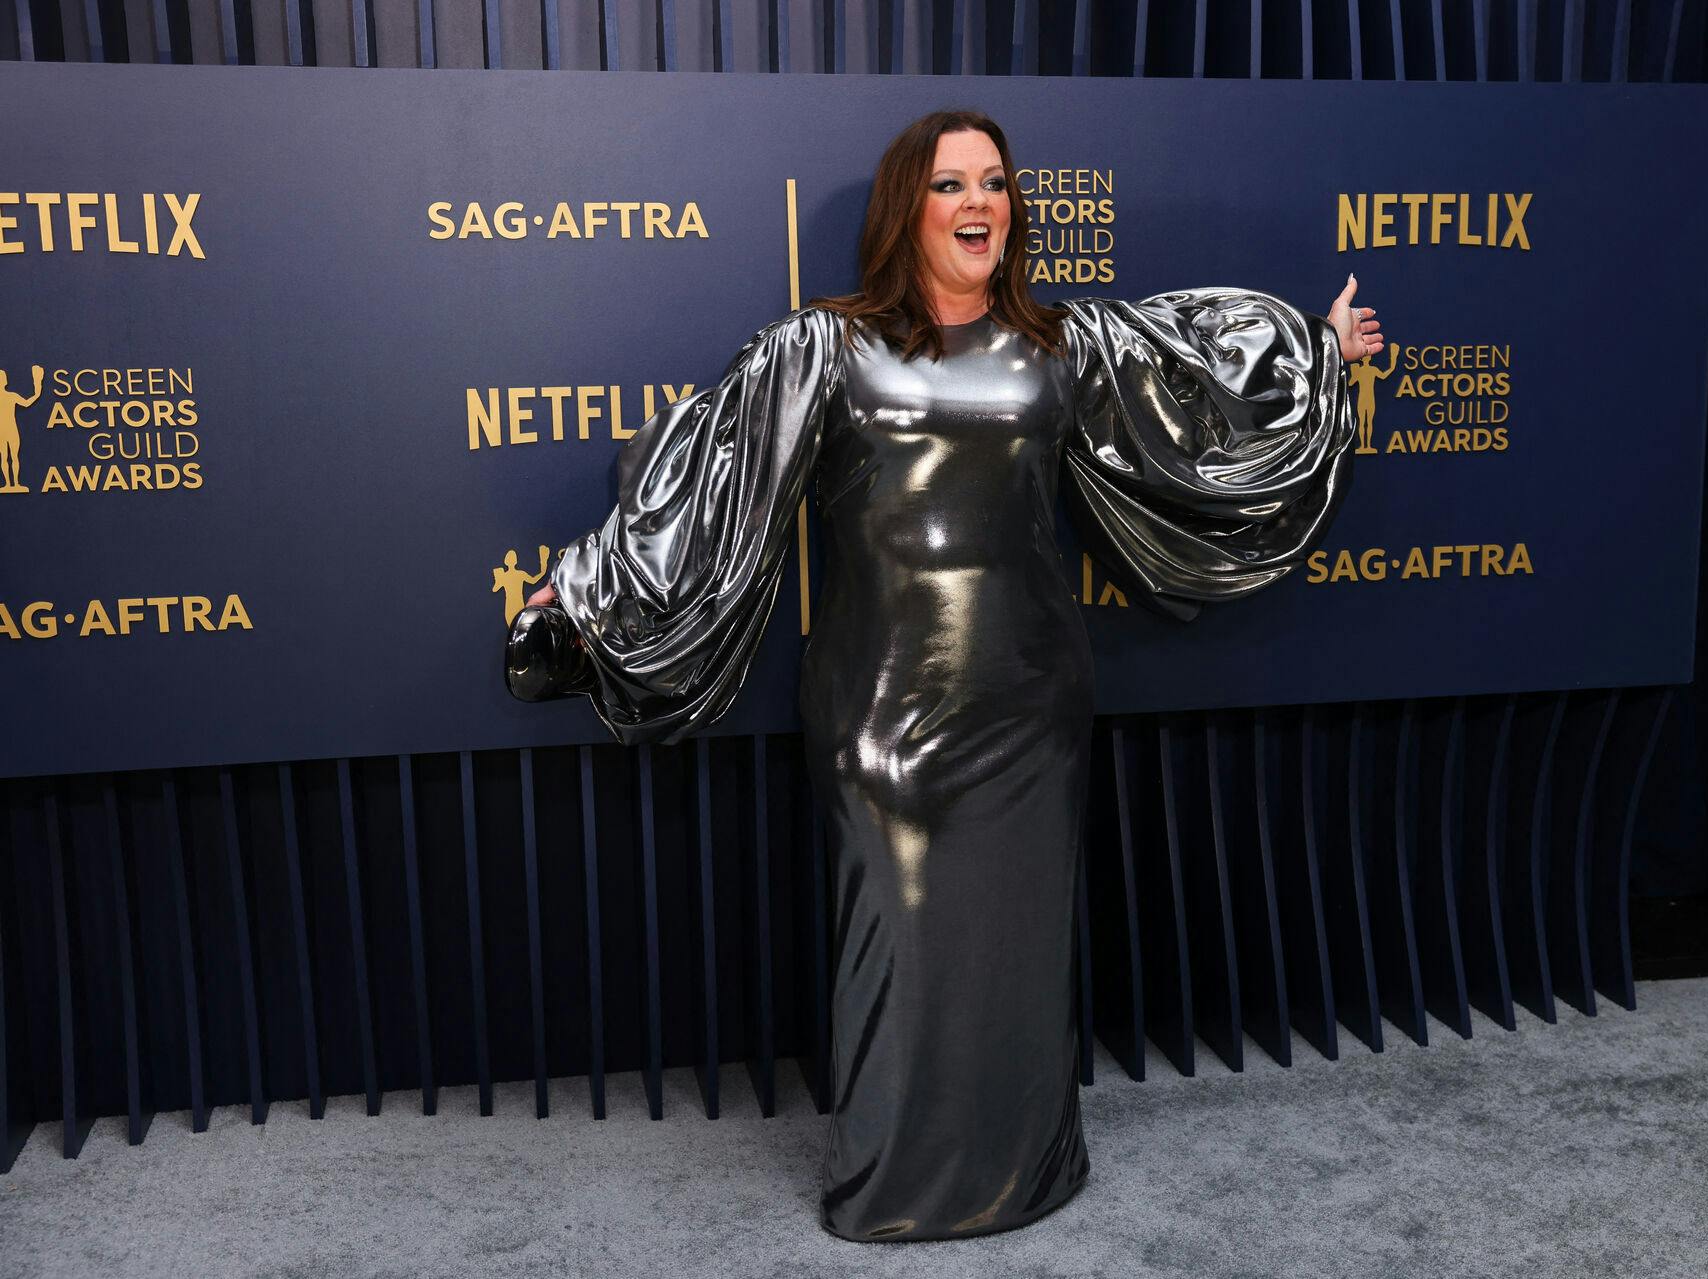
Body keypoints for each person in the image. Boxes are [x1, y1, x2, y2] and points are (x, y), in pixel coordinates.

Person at [509, 109, 1380, 1242]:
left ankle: (1026, 1163)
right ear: (905, 210)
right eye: (952, 185)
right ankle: (895, 1185)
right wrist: (578, 596)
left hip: (1033, 703)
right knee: (905, 951)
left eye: (996, 184)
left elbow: (1196, 390)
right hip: (885, 709)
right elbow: (706, 479)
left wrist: (1315, 351)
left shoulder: (1061, 344)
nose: (982, 204)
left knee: (1019, 952)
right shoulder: (823, 347)